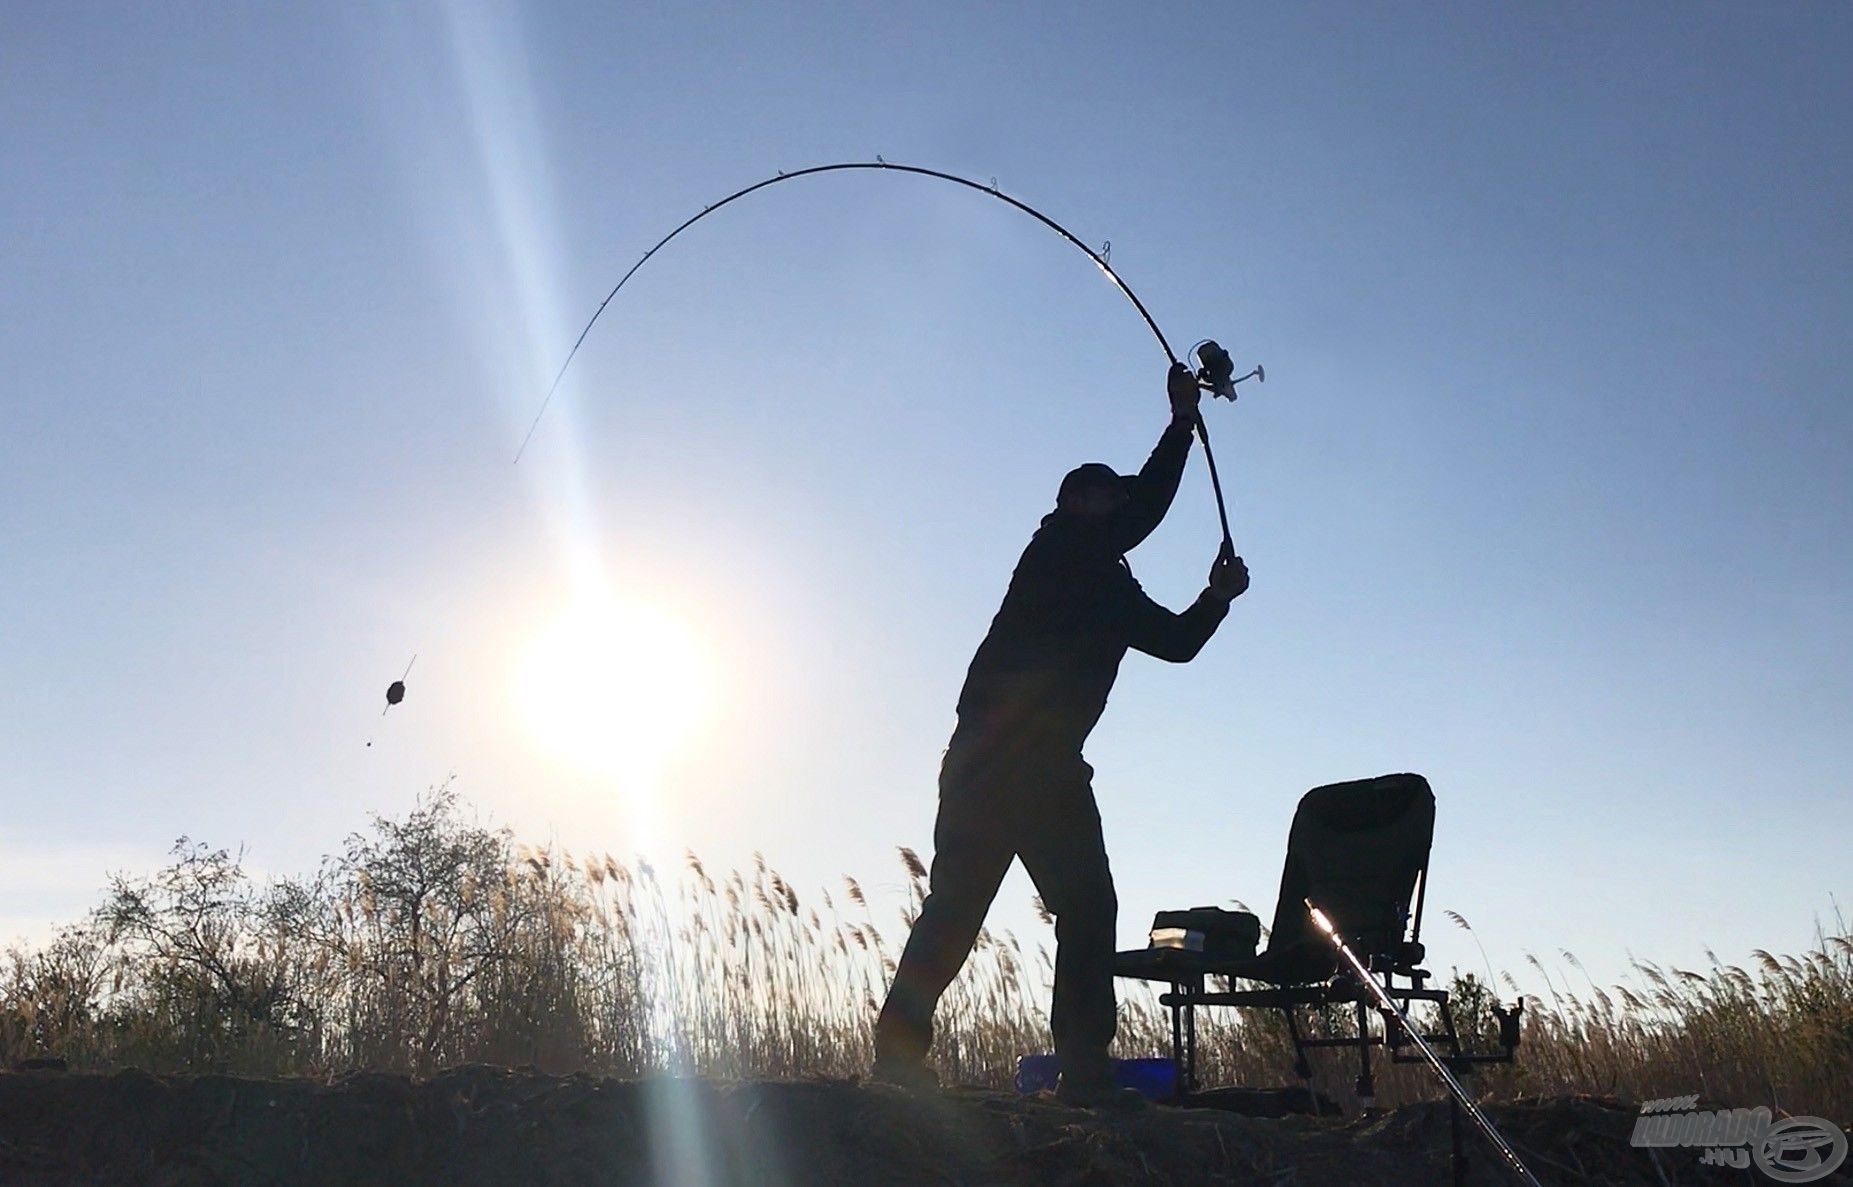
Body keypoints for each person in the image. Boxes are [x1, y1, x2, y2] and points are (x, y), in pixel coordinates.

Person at [871, 362, 1250, 1107]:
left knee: (1075, 909)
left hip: (1030, 768)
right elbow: (1145, 509)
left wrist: (1213, 597)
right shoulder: (1059, 550)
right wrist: (1178, 426)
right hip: (999, 762)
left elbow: (1174, 642)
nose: (1117, 504)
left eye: (1112, 493)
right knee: (963, 908)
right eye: (1104, 493)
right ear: (1076, 502)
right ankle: (911, 1056)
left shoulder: (1107, 581)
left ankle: (1080, 1069)